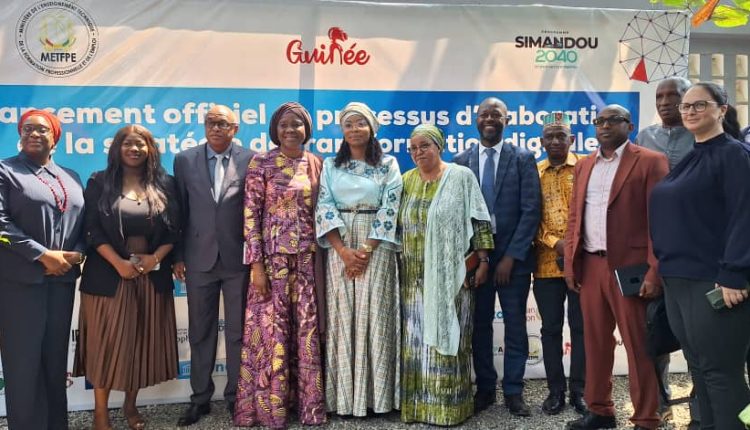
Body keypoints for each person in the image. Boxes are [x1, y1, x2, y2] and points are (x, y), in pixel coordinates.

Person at [650, 82, 750, 430]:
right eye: (686, 106)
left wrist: (734, 273)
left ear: (722, 109)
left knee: (721, 373)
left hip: (714, 281)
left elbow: (745, 215)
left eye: (699, 105)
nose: (690, 111)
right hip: (678, 281)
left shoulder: (734, 155)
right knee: (700, 370)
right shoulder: (694, 156)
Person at [564, 104, 668, 430]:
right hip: (590, 266)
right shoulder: (584, 165)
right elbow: (574, 217)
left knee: (638, 346)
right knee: (595, 343)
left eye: (613, 120)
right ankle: (600, 410)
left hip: (630, 270)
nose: (605, 126)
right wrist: (571, 264)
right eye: (600, 121)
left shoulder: (650, 161)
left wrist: (654, 271)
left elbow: (661, 222)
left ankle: (646, 418)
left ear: (629, 126)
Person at [73, 124, 180, 430]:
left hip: (150, 275)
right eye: (128, 144)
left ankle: (130, 406)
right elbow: (91, 229)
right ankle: (100, 413)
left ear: (150, 149)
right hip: (107, 275)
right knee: (105, 344)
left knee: (140, 342)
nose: (134, 149)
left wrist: (155, 259)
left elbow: (175, 230)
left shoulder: (165, 184)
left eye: (141, 144)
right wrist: (118, 263)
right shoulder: (99, 181)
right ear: (117, 148)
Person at [234, 102, 326, 428]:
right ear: (275, 129)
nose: (290, 130)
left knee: (305, 334)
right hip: (272, 265)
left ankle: (308, 407)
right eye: (284, 124)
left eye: (297, 124)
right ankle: (271, 411)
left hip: (306, 264)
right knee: (271, 335)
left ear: (306, 129)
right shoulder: (261, 163)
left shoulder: (315, 163)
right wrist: (256, 266)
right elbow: (250, 216)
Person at [399, 123, 493, 426]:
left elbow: (480, 221)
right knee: (416, 344)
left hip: (452, 278)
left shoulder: (461, 177)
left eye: (424, 145)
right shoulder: (405, 181)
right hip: (412, 280)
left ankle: (450, 410)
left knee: (451, 341)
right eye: (413, 148)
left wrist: (483, 260)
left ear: (439, 146)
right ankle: (418, 409)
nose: (418, 152)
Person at [453, 97, 541, 417]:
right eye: (484, 114)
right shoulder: (460, 161)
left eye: (496, 114)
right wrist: (480, 256)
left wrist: (511, 257)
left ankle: (514, 391)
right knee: (479, 326)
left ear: (507, 120)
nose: (490, 119)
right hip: (476, 258)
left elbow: (531, 211)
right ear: (476, 120)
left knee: (516, 325)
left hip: (512, 261)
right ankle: (486, 388)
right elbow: (458, 212)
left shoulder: (523, 158)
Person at [315, 102, 403, 417]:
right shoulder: (330, 165)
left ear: (372, 129)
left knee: (375, 314)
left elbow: (390, 208)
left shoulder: (388, 164)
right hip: (339, 242)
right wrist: (342, 251)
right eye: (349, 124)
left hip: (377, 244)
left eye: (360, 123)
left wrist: (365, 250)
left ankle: (378, 399)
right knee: (343, 317)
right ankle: (343, 399)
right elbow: (324, 206)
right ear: (342, 130)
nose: (354, 129)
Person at [0, 109, 85, 429]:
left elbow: (84, 223)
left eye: (42, 129)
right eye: (27, 129)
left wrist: (76, 255)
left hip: (61, 283)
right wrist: (43, 255)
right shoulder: (6, 170)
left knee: (54, 361)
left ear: (55, 138)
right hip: (20, 284)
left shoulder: (71, 176)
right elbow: (1, 225)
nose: (34, 134)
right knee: (23, 364)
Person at [173, 104, 255, 426]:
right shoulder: (184, 160)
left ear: (235, 129)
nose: (216, 128)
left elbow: (255, 211)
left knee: (238, 333)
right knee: (200, 332)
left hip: (238, 260)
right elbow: (179, 211)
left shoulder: (251, 160)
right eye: (210, 122)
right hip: (198, 259)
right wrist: (178, 256)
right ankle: (200, 399)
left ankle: (236, 397)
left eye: (222, 123)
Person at [634, 76, 693, 422]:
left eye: (674, 95)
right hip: (654, 249)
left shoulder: (702, 137)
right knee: (655, 328)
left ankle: (702, 405)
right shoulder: (644, 138)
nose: (665, 102)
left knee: (698, 334)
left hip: (695, 249)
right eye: (660, 96)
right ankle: (659, 399)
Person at [533, 112, 586, 416]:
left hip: (582, 264)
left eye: (561, 136)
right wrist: (556, 243)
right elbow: (530, 215)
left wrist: (575, 247)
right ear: (541, 142)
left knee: (581, 328)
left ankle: (580, 390)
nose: (555, 141)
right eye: (549, 137)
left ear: (572, 139)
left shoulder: (586, 167)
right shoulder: (534, 172)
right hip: (546, 265)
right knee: (550, 329)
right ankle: (556, 391)